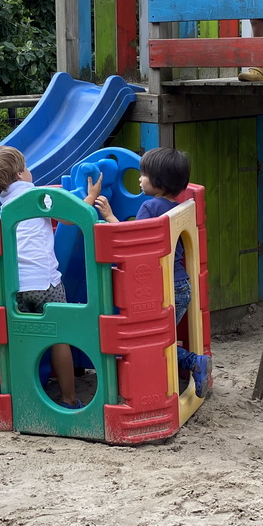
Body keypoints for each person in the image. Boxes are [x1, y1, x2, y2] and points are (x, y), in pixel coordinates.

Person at [0, 145, 101, 411]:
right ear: (21, 174)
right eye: (27, 167)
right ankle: (69, 399)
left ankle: (23, 398)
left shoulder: (3, 209)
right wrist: (90, 198)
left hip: (14, 288)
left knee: (21, 341)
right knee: (60, 338)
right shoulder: (37, 196)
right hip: (46, 284)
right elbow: (72, 218)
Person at [93, 147, 211, 398]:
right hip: (181, 284)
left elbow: (134, 241)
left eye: (143, 175)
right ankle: (193, 363)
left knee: (155, 340)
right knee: (162, 336)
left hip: (162, 287)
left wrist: (109, 217)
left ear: (158, 181)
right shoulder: (178, 207)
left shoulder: (150, 207)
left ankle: (194, 362)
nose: (139, 179)